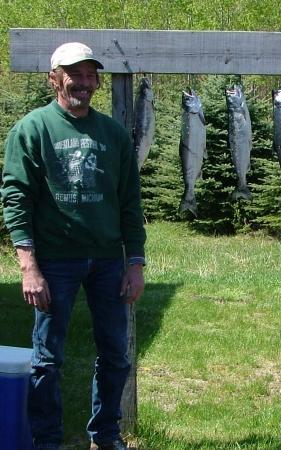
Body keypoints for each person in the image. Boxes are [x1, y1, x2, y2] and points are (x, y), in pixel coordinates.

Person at [1, 42, 146, 450]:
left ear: (97, 81)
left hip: (108, 261)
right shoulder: (32, 129)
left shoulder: (113, 134)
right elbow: (16, 198)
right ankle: (46, 440)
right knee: (47, 359)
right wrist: (29, 266)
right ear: (54, 79)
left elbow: (130, 202)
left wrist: (135, 263)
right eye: (73, 75)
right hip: (54, 261)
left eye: (89, 75)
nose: (83, 83)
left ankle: (106, 435)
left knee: (116, 354)